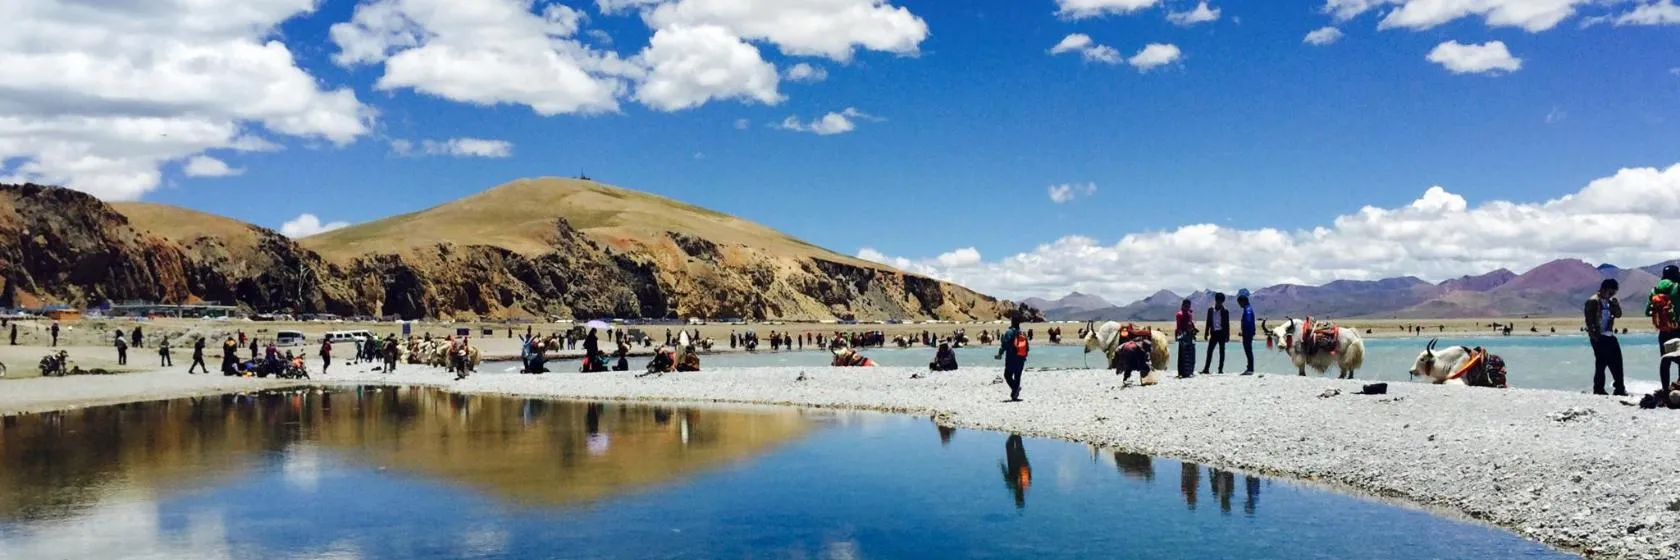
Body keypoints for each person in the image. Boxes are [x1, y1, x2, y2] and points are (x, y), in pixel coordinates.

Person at [1585, 279, 1625, 396]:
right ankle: (1599, 389)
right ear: (1603, 289)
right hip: (1598, 336)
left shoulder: (1610, 302)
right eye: (1610, 291)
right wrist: (1595, 337)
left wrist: (1615, 304)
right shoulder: (1593, 301)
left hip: (1610, 335)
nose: (1612, 294)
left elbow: (1618, 315)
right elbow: (1589, 320)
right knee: (1602, 362)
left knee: (1617, 362)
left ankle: (1619, 388)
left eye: (1614, 292)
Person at [1647, 265, 1680, 355]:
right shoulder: (1677, 288)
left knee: (1665, 359)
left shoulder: (1654, 291)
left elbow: (1647, 312)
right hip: (1677, 329)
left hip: (1663, 330)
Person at [994, 315, 1028, 401]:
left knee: (1007, 375)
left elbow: (1005, 344)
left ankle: (1015, 389)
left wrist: (1000, 354)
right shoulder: (1022, 333)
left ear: (1012, 322)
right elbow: (1027, 347)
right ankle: (1014, 394)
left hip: (1011, 358)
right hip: (1021, 358)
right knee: (1017, 376)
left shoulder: (1009, 332)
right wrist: (1024, 357)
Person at [1201, 292, 1230, 375]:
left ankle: (1220, 369)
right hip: (1213, 333)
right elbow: (1208, 322)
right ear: (1216, 300)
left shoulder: (1225, 311)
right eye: (1218, 301)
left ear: (1223, 301)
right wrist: (1206, 333)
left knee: (1222, 352)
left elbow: (1227, 324)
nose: (1219, 303)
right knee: (1209, 351)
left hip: (1222, 333)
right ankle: (1206, 369)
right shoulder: (1210, 310)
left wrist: (1228, 336)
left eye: (1221, 301)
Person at [1001, 434, 1032, 509]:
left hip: (1016, 461)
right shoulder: (1020, 486)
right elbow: (1028, 471)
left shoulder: (1022, 486)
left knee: (1014, 444)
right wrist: (1002, 466)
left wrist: (1002, 466)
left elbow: (1028, 471)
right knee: (1012, 444)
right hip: (1016, 461)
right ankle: (1015, 432)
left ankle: (1016, 432)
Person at [1175, 299, 1198, 379]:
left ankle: (1190, 371)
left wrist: (1194, 329)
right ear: (1183, 305)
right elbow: (1178, 327)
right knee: (1182, 354)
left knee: (1191, 354)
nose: (1188, 307)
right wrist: (1180, 335)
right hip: (1184, 336)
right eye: (1186, 305)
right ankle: (1181, 372)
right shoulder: (1179, 314)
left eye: (1189, 306)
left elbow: (1191, 323)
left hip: (1190, 335)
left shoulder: (1189, 313)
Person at [1237, 289, 1256, 375]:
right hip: (1249, 333)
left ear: (1242, 302)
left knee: (1248, 350)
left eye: (1239, 303)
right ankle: (1249, 367)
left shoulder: (1247, 310)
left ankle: (1250, 368)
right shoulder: (1249, 309)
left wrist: (1244, 333)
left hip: (1247, 334)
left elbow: (1248, 321)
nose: (1239, 305)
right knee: (1248, 350)